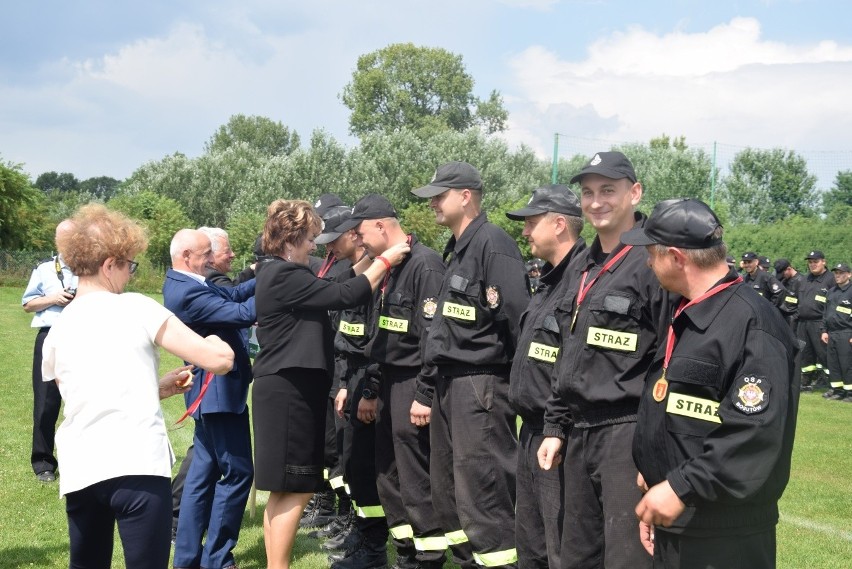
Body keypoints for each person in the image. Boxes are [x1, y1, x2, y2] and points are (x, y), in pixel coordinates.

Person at [41, 203, 234, 569]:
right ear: (108, 263)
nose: (130, 274)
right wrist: (220, 343)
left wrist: (156, 387)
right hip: (137, 464)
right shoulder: (136, 307)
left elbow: (86, 390)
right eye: (129, 264)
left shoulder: (59, 328)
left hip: (82, 466)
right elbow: (217, 361)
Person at [624, 198, 799, 569]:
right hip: (681, 521)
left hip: (724, 534)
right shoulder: (690, 311)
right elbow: (682, 405)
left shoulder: (753, 324)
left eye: (650, 253)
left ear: (675, 257)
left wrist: (677, 487)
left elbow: (753, 434)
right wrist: (658, 471)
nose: (645, 262)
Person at [252, 199, 410, 569]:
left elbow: (331, 283)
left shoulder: (276, 272)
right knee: (299, 488)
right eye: (309, 238)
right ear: (290, 239)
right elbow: (345, 294)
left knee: (282, 492)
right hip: (292, 392)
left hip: (280, 389)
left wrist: (366, 263)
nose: (314, 246)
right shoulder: (286, 276)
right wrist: (387, 260)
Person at [538, 151, 671, 569]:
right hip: (579, 430)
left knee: (627, 558)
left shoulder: (655, 261)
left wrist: (655, 449)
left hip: (627, 433)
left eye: (608, 191)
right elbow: (569, 349)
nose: (596, 202)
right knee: (576, 555)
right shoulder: (582, 262)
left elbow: (670, 358)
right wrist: (556, 424)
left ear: (635, 192)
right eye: (588, 192)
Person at [411, 161, 530, 569]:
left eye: (439, 197)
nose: (432, 205)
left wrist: (516, 392)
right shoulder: (459, 247)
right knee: (452, 496)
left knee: (485, 493)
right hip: (451, 384)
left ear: (465, 196)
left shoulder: (493, 245)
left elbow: (519, 323)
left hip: (480, 386)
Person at [338, 194, 447, 569]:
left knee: (415, 477)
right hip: (386, 381)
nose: (359, 240)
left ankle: (429, 556)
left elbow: (435, 338)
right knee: (389, 476)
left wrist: (425, 393)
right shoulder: (390, 266)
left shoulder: (425, 265)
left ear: (382, 226)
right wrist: (370, 387)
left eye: (361, 232)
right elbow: (380, 336)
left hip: (412, 382)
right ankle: (405, 555)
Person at [164, 229, 257, 569]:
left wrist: (266, 275)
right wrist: (283, 285)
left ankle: (187, 557)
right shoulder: (186, 291)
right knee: (237, 474)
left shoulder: (190, 281)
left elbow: (231, 295)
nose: (212, 259)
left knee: (201, 478)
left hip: (213, 393)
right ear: (187, 255)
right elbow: (242, 314)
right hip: (218, 393)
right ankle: (217, 559)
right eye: (206, 253)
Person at [505, 184, 586, 569]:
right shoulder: (550, 281)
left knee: (559, 545)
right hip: (532, 430)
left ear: (558, 225)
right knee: (531, 542)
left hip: (560, 435)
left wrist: (557, 426)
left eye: (530, 223)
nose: (524, 232)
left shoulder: (584, 280)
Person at [21, 219, 78, 483]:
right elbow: (28, 303)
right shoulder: (44, 269)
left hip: (84, 337)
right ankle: (43, 461)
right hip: (50, 336)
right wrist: (53, 299)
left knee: (85, 398)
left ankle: (82, 457)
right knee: (46, 402)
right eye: (63, 239)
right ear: (57, 241)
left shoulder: (90, 268)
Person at [798, 250, 836, 392]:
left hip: (819, 323)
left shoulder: (831, 279)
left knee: (824, 354)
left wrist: (826, 327)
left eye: (816, 261)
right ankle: (806, 382)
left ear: (823, 262)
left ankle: (829, 381)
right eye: (810, 262)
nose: (812, 265)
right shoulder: (805, 279)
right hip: (803, 323)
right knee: (805, 354)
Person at [820, 263, 852, 401]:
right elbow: (825, 313)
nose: (838, 275)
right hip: (832, 333)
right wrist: (824, 330)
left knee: (847, 364)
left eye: (841, 273)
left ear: (849, 274)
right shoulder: (832, 291)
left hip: (846, 332)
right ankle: (837, 390)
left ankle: (850, 393)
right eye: (836, 273)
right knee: (833, 363)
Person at [774, 258, 804, 333]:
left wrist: (793, 319)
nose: (782, 276)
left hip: (794, 321)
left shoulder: (801, 281)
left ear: (789, 268)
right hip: (782, 318)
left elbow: (803, 305)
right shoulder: (783, 280)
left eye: (783, 273)